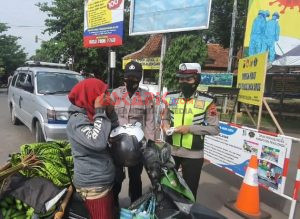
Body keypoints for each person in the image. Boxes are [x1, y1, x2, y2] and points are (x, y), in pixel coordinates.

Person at [162, 63, 220, 198]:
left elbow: (215, 129)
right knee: (167, 186)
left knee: (189, 191)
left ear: (197, 80)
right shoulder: (171, 98)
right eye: (181, 79)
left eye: (188, 79)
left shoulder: (207, 101)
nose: (184, 82)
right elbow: (165, 118)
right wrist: (165, 126)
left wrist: (190, 128)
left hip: (193, 154)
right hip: (171, 150)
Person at [67, 78, 118, 218]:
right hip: (93, 188)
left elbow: (113, 130)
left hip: (104, 182)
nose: (107, 96)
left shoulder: (92, 115)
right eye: (103, 93)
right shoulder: (77, 120)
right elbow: (98, 141)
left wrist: (110, 112)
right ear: (91, 95)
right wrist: (100, 110)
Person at [111, 61, 155, 206]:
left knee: (135, 178)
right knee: (116, 178)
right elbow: (109, 117)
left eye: (135, 79)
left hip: (137, 146)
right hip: (117, 145)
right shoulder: (116, 94)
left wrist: (150, 144)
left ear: (140, 77)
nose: (131, 82)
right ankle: (112, 206)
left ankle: (136, 206)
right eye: (128, 78)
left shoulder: (146, 96)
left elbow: (150, 121)